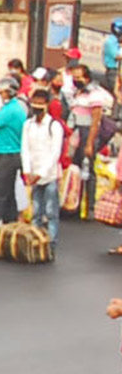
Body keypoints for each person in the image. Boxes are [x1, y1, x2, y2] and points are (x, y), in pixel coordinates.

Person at [21, 87, 64, 250]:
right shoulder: (28, 125)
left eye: (41, 103)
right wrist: (27, 171)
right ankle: (35, 241)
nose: (37, 107)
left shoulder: (54, 126)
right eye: (35, 103)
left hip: (49, 175)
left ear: (47, 105)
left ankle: (51, 243)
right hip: (33, 175)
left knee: (51, 211)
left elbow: (55, 153)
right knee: (36, 211)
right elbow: (25, 148)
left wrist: (41, 174)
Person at [68, 62, 114, 212]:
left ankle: (90, 207)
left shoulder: (95, 94)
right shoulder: (78, 93)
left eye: (78, 77)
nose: (76, 80)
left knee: (89, 170)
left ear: (86, 78)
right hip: (77, 132)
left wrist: (89, 143)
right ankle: (75, 203)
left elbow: (95, 121)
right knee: (76, 170)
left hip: (88, 132)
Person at [0, 76, 27, 231]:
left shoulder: (10, 110)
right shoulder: (13, 109)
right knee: (8, 196)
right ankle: (10, 227)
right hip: (10, 154)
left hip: (6, 155)